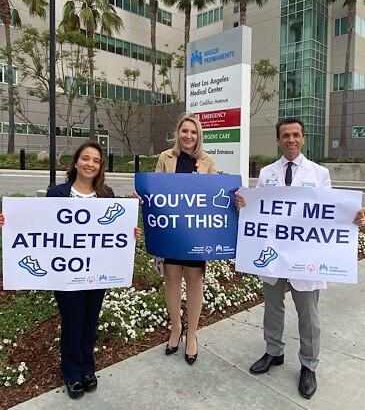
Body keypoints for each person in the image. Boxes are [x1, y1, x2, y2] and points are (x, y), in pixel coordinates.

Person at [236, 117, 331, 400]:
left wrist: (352, 217)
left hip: (304, 255)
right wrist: (245, 204)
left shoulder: (319, 173)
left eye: (296, 135)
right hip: (274, 253)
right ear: (278, 141)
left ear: (303, 139)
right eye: (285, 136)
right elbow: (259, 211)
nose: (290, 140)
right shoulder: (266, 173)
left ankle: (308, 365)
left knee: (309, 315)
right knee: (273, 307)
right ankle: (273, 351)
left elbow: (330, 212)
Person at [45, 141, 142, 399]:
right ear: (76, 162)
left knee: (90, 321)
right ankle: (72, 372)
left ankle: (88, 368)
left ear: (100, 167)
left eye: (96, 160)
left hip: (97, 270)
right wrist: (11, 224)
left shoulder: (106, 195)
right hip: (66, 271)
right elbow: (40, 228)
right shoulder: (57, 194)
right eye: (85, 158)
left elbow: (115, 228)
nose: (90, 164)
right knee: (73, 322)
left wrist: (130, 232)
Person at [135, 112, 216, 365]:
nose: (188, 135)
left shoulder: (207, 161)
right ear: (178, 134)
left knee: (194, 282)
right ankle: (176, 329)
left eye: (193, 132)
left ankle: (192, 334)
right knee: (171, 279)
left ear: (198, 136)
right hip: (170, 231)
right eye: (184, 131)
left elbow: (214, 197)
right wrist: (143, 196)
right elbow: (154, 190)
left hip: (195, 233)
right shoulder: (165, 158)